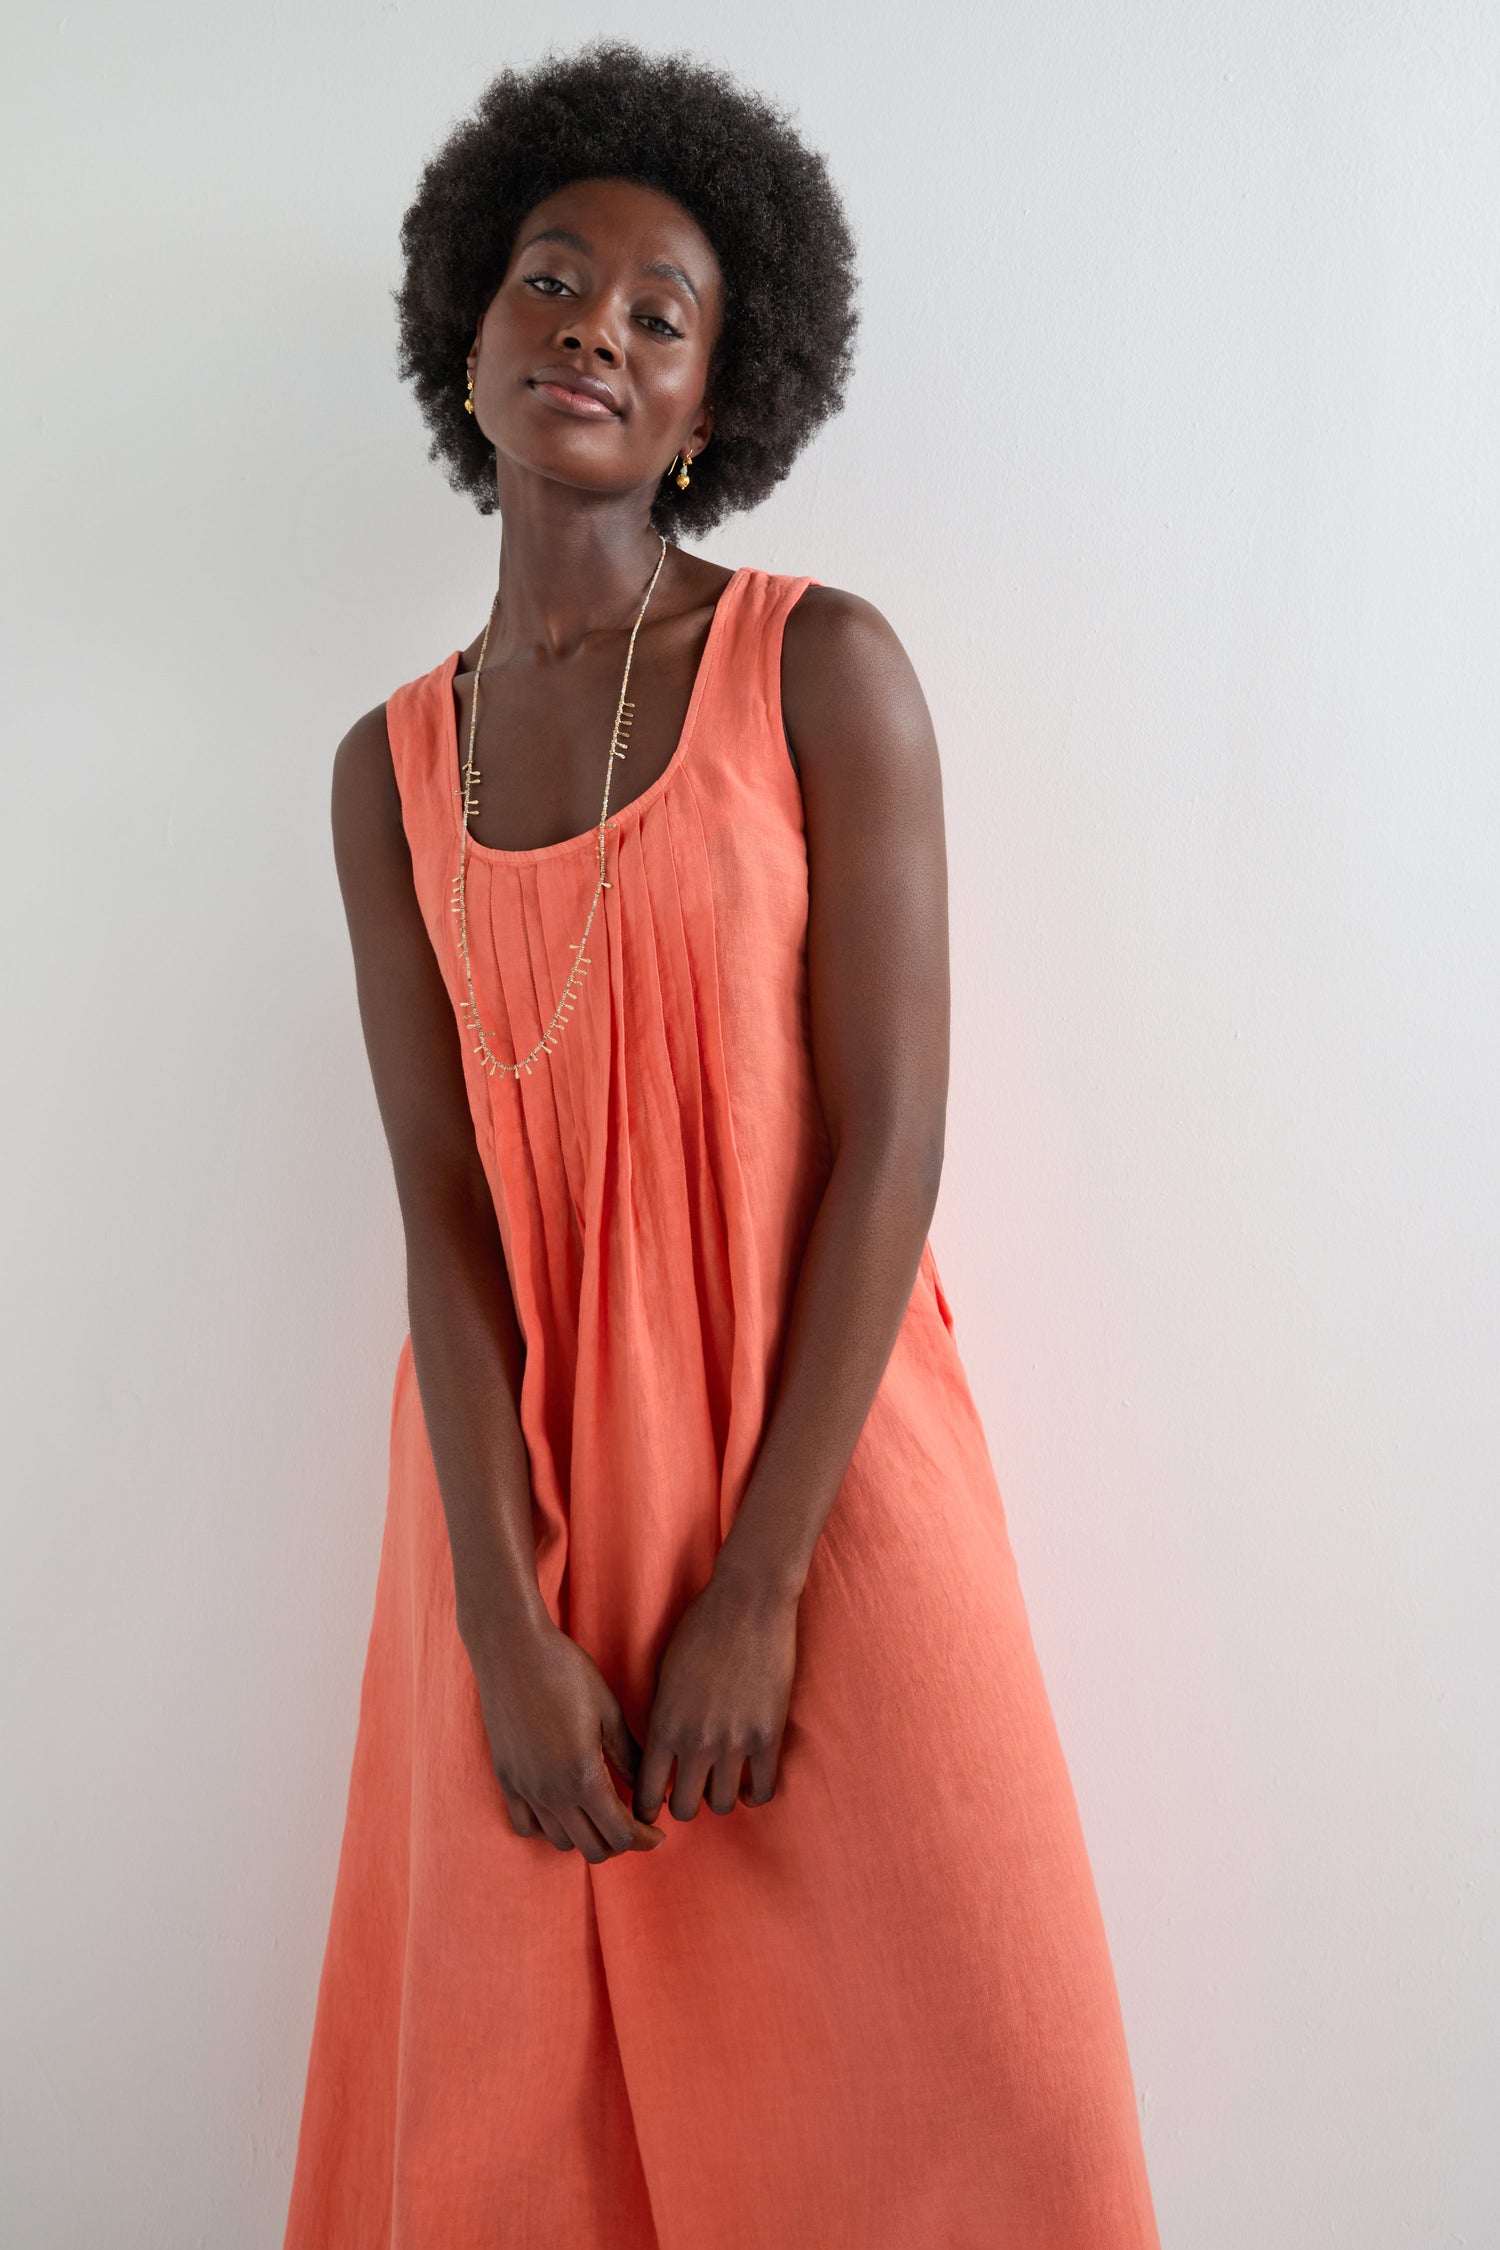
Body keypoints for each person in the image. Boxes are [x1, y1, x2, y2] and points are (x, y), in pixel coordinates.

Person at [283, 38, 1162, 2250]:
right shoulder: (384, 771)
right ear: (463, 338)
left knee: (981, 2072)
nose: (594, 324)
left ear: (715, 405)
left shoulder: (825, 669)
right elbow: (442, 1218)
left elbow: (892, 1147)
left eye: (659, 314)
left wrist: (766, 1583)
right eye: (550, 282)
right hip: (524, 1511)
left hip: (825, 1478)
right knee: (516, 2123)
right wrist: (497, 1610)